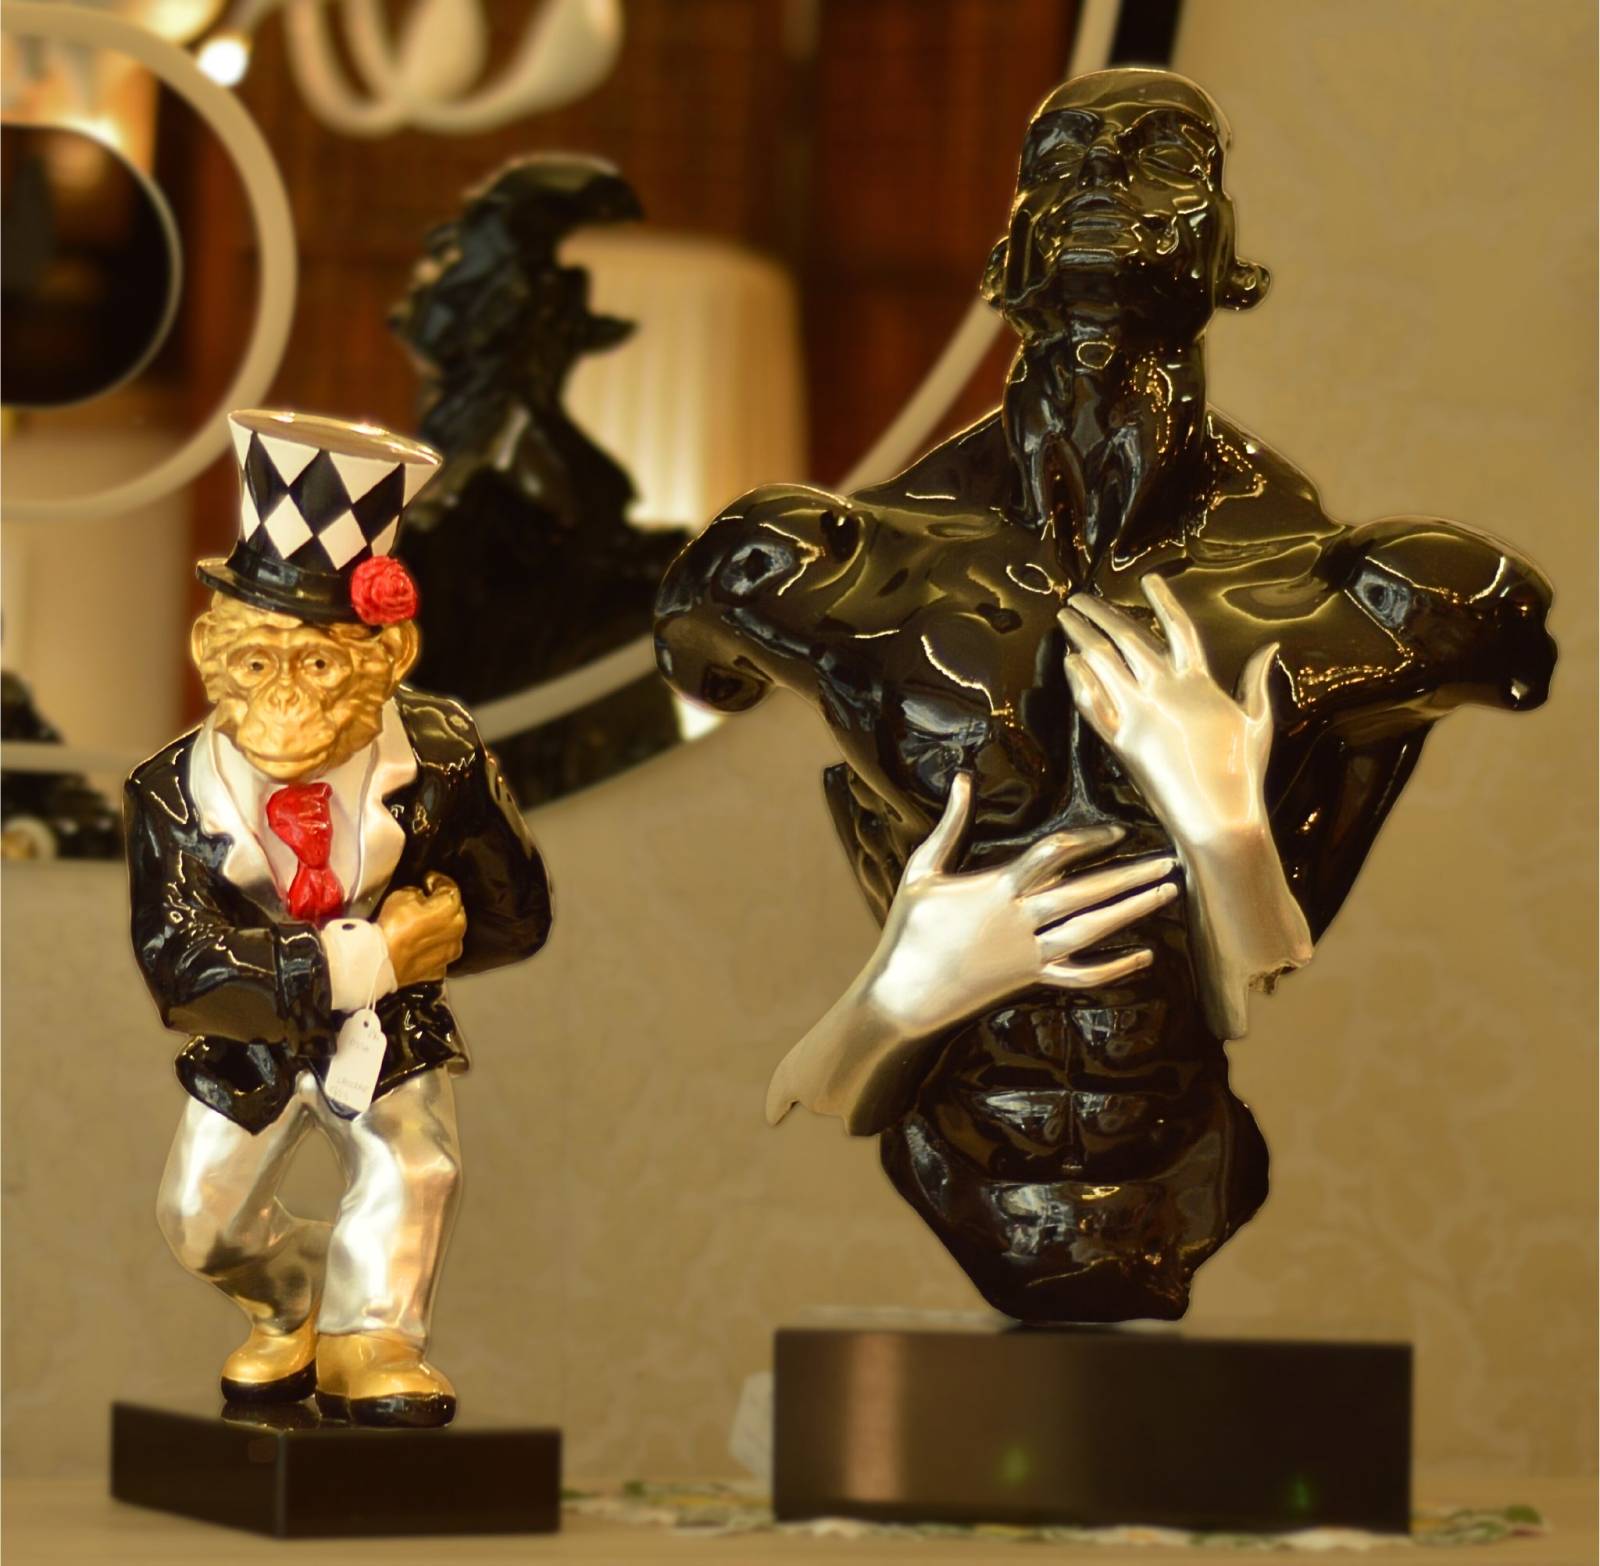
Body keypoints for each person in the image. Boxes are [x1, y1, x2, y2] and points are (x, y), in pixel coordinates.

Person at [655, 69, 1555, 1322]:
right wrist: (901, 993)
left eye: (1159, 161)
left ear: (1227, 251)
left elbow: (1246, 983)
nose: (1100, 186)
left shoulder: (1365, 599)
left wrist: (1224, 825)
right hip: (960, 1146)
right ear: (1010, 241)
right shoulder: (821, 571)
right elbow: (700, 657)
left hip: (1178, 1157)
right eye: (1063, 160)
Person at [126, 409, 552, 1424]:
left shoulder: (439, 756)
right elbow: (182, 969)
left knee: (414, 1166)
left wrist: (442, 933)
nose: (286, 699)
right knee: (201, 1222)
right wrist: (375, 953)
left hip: (387, 1036)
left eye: (318, 665)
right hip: (254, 1042)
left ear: (389, 652)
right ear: (209, 651)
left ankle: (375, 1340)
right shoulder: (173, 792)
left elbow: (516, 913)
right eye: (256, 665)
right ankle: (296, 1301)